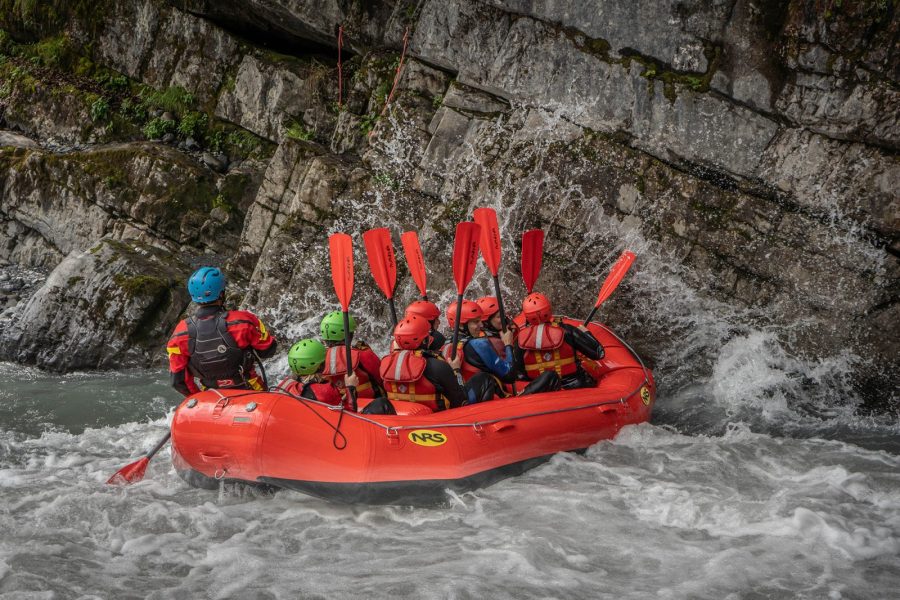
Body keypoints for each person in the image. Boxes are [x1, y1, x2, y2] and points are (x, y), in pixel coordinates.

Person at [166, 267, 277, 396]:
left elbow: (178, 381)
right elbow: (268, 350)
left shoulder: (179, 334)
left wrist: (198, 398)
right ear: (221, 293)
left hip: (210, 394)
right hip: (250, 388)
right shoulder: (244, 321)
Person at [380, 315, 502, 411]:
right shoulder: (437, 366)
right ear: (424, 341)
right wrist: (456, 370)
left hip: (406, 417)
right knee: (484, 378)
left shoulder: (385, 364)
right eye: (427, 336)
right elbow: (460, 400)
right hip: (440, 420)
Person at [515, 292, 604, 393]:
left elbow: (519, 374)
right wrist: (586, 333)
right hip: (575, 387)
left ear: (527, 317)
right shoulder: (567, 331)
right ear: (549, 310)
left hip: (542, 391)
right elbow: (599, 353)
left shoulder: (521, 340)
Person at [443, 300, 519, 393]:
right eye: (476, 322)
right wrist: (508, 344)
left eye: (480, 320)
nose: (481, 325)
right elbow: (510, 376)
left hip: (468, 396)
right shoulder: (480, 344)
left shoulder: (445, 345)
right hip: (490, 400)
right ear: (461, 325)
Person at [319, 310, 385, 399]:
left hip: (334, 405)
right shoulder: (362, 354)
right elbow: (381, 379)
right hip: (367, 404)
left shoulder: (318, 360)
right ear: (350, 335)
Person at [276, 338, 354, 410]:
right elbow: (348, 413)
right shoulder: (326, 391)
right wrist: (350, 388)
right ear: (320, 365)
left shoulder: (285, 384)